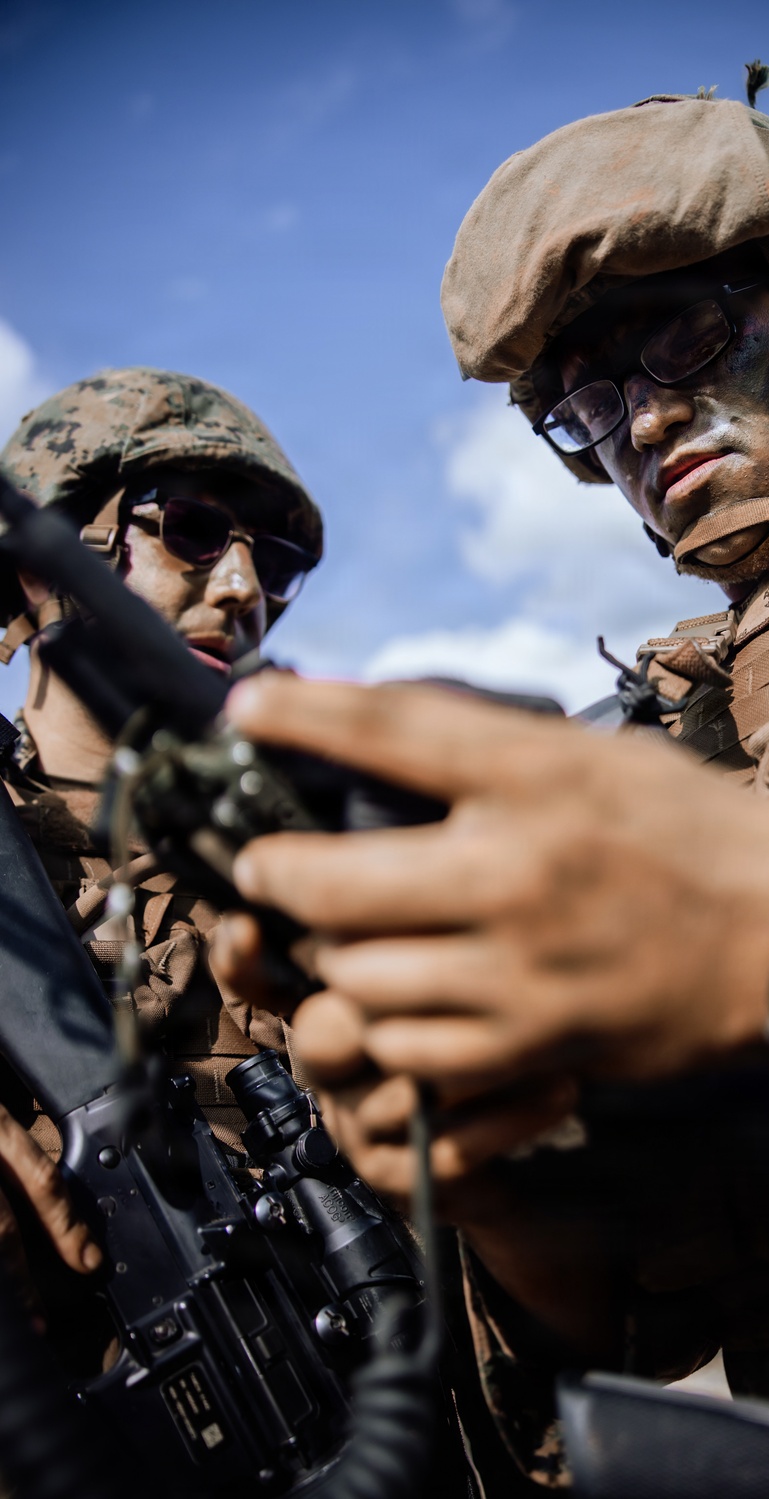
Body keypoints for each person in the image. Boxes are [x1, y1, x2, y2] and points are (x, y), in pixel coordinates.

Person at [214, 81, 769, 1489]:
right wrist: (486, 1176)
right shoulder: (627, 745)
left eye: (683, 338)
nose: (639, 425)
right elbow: (623, 1327)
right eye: (586, 408)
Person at [0, 366, 322, 1336]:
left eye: (272, 564)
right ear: (49, 563)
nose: (241, 589)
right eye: (189, 530)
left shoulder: (313, 861)